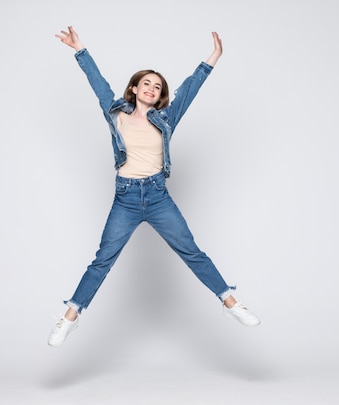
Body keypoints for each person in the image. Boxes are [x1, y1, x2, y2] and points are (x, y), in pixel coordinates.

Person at [48, 26, 260, 347]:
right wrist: (80, 49)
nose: (150, 87)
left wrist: (213, 58)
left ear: (160, 95)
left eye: (157, 86)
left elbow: (191, 88)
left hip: (158, 196)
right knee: (103, 259)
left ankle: (231, 304)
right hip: (126, 198)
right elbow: (98, 82)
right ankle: (70, 317)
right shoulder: (115, 111)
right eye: (145, 83)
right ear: (133, 88)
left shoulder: (167, 118)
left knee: (191, 251)